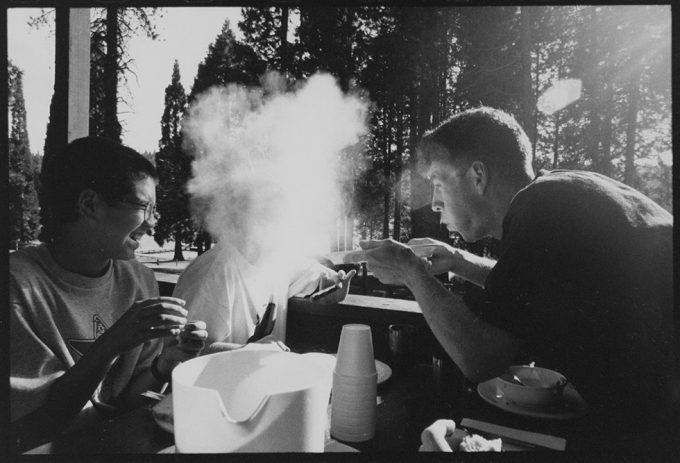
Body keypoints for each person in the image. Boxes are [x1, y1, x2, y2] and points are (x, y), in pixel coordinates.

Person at [346, 107, 676, 451]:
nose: (434, 203)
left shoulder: (539, 208)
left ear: (478, 176)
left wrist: (410, 271)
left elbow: (484, 359)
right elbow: (528, 288)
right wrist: (458, 261)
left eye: (438, 182)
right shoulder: (556, 198)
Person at [10, 137, 208, 453]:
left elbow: (121, 400)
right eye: (145, 208)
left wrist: (164, 365)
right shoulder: (18, 287)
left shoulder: (139, 280)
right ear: (90, 204)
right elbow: (34, 428)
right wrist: (113, 343)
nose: (153, 224)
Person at [173, 239, 356, 351]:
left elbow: (322, 278)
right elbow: (185, 355)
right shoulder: (211, 274)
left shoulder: (276, 259)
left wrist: (336, 287)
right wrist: (253, 353)